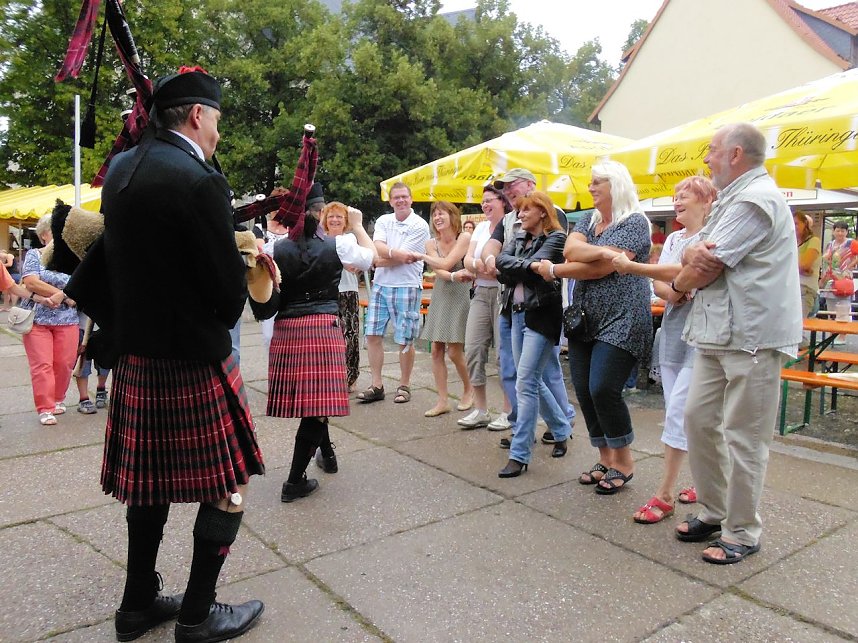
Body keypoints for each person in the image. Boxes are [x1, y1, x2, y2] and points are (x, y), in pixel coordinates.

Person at [66, 68, 266, 640]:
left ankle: (137, 605)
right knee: (228, 487)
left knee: (148, 486)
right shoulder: (200, 179)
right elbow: (226, 294)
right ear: (198, 115)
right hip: (193, 358)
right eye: (217, 120)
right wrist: (246, 261)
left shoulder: (123, 168)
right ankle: (198, 614)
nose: (218, 133)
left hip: (136, 354)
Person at [671, 123, 802, 564]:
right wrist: (692, 255)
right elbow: (693, 250)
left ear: (735, 154)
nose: (706, 158)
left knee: (744, 438)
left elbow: (705, 264)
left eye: (712, 150)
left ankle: (742, 532)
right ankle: (715, 511)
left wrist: (679, 284)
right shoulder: (732, 197)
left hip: (753, 336)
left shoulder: (754, 199)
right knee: (698, 420)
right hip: (720, 332)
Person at [251, 193, 374, 501]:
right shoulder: (339, 244)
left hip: (287, 328)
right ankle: (294, 481)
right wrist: (359, 226)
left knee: (318, 402)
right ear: (319, 218)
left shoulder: (274, 248)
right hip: (321, 326)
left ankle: (327, 454)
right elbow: (369, 258)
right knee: (318, 406)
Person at [540, 160, 651, 495]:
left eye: (597, 182)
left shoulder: (635, 222)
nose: (590, 188)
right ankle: (605, 458)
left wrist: (558, 270)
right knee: (585, 390)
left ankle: (624, 462)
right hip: (585, 317)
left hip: (624, 315)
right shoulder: (588, 219)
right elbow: (570, 249)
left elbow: (600, 269)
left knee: (603, 387)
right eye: (591, 182)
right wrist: (601, 252)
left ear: (616, 184)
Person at [612, 176, 717, 522]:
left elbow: (684, 271)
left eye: (684, 195)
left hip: (703, 333)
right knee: (681, 410)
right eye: (675, 196)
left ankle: (665, 494)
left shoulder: (714, 234)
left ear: (706, 200)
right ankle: (707, 482)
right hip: (673, 331)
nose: (677, 201)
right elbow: (662, 283)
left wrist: (642, 271)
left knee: (681, 413)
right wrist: (675, 289)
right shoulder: (674, 238)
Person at [478, 167, 576, 440]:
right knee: (512, 368)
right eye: (505, 188)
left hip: (541, 307)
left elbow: (543, 263)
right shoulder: (509, 219)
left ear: (531, 185)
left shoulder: (554, 213)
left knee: (546, 371)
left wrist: (507, 265)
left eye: (513, 185)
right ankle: (524, 425)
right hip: (510, 302)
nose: (508, 191)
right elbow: (493, 248)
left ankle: (562, 422)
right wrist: (493, 260)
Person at [495, 191, 571, 477]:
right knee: (530, 380)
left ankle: (519, 453)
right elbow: (501, 265)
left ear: (542, 212)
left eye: (526, 210)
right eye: (519, 211)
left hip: (541, 317)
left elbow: (516, 268)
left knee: (525, 382)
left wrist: (519, 268)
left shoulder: (557, 238)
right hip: (516, 314)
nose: (520, 215)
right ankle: (561, 429)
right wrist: (529, 267)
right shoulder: (519, 238)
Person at [357, 182, 429, 405]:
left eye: (404, 196)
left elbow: (405, 257)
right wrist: (389, 255)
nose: (401, 200)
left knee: (404, 339)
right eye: (396, 197)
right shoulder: (383, 220)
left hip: (407, 285)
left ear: (411, 199)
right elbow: (379, 247)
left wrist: (378, 260)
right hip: (380, 285)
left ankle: (404, 385)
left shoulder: (419, 225)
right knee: (372, 335)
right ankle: (377, 385)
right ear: (390, 201)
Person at [455, 185, 513, 430]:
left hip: (504, 294)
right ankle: (480, 409)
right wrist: (479, 265)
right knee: (473, 349)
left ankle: (509, 411)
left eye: (489, 200)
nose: (485, 205)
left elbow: (508, 263)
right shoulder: (480, 228)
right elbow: (467, 259)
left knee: (504, 355)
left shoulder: (511, 226)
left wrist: (484, 266)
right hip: (480, 292)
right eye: (483, 201)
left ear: (503, 201)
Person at [20, 213, 80, 426]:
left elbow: (81, 284)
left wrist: (62, 296)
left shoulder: (73, 257)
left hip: (67, 319)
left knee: (64, 363)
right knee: (42, 365)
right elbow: (31, 282)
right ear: (44, 235)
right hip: (37, 319)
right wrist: (62, 294)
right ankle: (45, 408)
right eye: (55, 232)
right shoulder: (34, 255)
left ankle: (57, 398)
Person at [417, 201, 474, 417]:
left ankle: (469, 389)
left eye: (442, 214)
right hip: (441, 293)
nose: (437, 218)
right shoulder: (431, 243)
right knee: (436, 350)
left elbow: (447, 262)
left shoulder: (464, 238)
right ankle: (442, 400)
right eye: (435, 215)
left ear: (452, 215)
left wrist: (425, 258)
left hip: (460, 295)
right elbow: (440, 271)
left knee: (455, 351)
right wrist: (452, 276)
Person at [320, 200, 367, 392]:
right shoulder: (320, 239)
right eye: (331, 216)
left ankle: (350, 378)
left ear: (346, 220)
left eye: (339, 216)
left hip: (347, 291)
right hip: (326, 292)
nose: (335, 220)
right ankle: (330, 377)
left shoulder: (349, 239)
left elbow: (355, 261)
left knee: (350, 336)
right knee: (327, 337)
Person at [75, 312, 110, 414]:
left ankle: (101, 389)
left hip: (104, 325)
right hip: (81, 325)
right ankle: (83, 398)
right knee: (82, 362)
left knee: (105, 360)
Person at [794, 211, 821, 320]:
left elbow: (805, 264)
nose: (793, 227)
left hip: (806, 291)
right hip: (792, 289)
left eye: (796, 223)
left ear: (805, 223)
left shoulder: (814, 241)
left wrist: (791, 266)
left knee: (798, 324)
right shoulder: (792, 243)